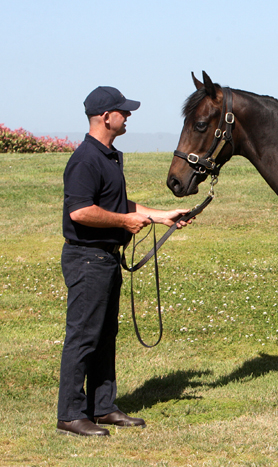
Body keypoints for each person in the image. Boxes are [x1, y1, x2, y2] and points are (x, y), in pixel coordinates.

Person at [57, 86, 192, 437]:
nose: (128, 115)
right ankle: (70, 414)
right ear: (106, 117)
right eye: (123, 111)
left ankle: (102, 407)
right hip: (87, 260)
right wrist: (123, 222)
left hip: (104, 259)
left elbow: (118, 205)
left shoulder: (109, 156)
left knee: (104, 336)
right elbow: (80, 211)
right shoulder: (85, 160)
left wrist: (161, 215)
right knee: (83, 337)